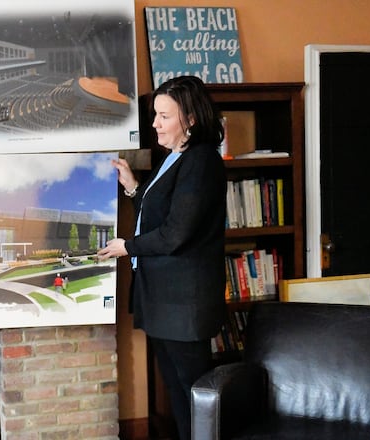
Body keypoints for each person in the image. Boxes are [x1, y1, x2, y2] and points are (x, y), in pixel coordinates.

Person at [96, 75, 227, 440]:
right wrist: (133, 186)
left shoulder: (201, 162)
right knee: (179, 395)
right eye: (155, 114)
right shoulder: (175, 159)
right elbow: (160, 214)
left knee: (194, 397)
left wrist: (128, 247)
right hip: (164, 300)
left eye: (164, 116)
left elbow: (176, 233)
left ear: (191, 119)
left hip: (184, 305)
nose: (154, 123)